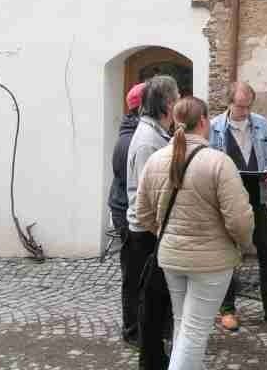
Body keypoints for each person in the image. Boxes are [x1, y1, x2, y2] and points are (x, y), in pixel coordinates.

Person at [136, 96, 254, 370]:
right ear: (203, 122)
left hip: (171, 257)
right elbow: (239, 220)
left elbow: (142, 214)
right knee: (195, 331)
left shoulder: (155, 160)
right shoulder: (219, 163)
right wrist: (242, 245)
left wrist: (167, 234)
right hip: (212, 263)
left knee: (184, 326)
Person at [209, 81, 267, 330]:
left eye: (248, 106)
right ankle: (227, 309)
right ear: (229, 103)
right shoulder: (214, 128)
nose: (244, 111)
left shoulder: (262, 124)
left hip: (258, 198)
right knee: (229, 255)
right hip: (228, 202)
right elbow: (208, 159)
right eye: (240, 106)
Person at [125, 75, 180, 369]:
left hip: (150, 229)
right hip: (146, 231)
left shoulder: (155, 133)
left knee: (155, 299)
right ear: (168, 103)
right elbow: (150, 195)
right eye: (177, 99)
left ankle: (155, 353)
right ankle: (152, 359)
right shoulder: (148, 140)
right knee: (151, 300)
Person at [107, 82, 145, 346]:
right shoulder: (131, 141)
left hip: (127, 210)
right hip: (127, 212)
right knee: (133, 274)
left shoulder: (134, 133)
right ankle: (132, 331)